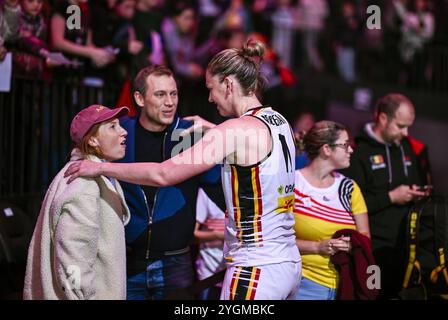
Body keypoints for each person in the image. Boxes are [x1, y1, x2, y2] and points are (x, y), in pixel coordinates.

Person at [64, 39, 302, 300]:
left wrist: (100, 168)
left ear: (229, 85)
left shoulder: (232, 131)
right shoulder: (278, 121)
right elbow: (256, 147)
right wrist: (213, 130)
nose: (210, 97)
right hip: (289, 264)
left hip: (257, 266)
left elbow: (163, 174)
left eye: (211, 88)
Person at [109, 64, 218, 300]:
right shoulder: (120, 133)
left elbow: (220, 186)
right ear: (139, 98)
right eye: (160, 94)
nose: (170, 102)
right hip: (126, 260)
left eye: (173, 94)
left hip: (175, 262)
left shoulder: (191, 135)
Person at [23, 104, 130, 300]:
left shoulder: (91, 174)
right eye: (112, 127)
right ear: (93, 141)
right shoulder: (84, 183)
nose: (124, 132)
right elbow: (73, 260)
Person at [340, 93, 428, 299]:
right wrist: (390, 197)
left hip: (404, 247)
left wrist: (417, 193)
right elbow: (350, 206)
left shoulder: (405, 147)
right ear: (383, 118)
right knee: (373, 295)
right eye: (400, 126)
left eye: (408, 126)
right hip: (373, 249)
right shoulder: (359, 151)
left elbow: (414, 180)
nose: (406, 133)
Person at [293, 120, 370, 300]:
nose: (351, 150)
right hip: (301, 284)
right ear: (326, 149)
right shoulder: (292, 183)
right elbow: (275, 239)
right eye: (345, 145)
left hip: (344, 285)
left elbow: (365, 235)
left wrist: (352, 245)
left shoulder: (349, 188)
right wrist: (317, 247)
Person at [194, 182, 226, 300]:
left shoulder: (244, 191)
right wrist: (217, 235)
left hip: (235, 269)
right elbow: (192, 234)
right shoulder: (207, 192)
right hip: (209, 269)